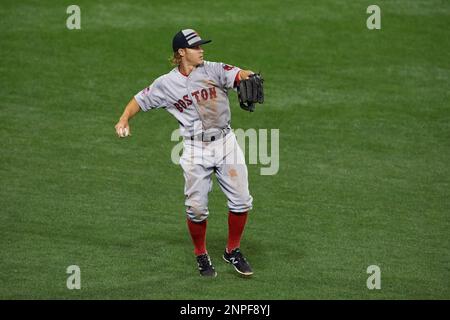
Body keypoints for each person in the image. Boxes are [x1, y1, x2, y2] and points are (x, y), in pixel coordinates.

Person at [115, 29, 257, 277]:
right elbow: (139, 99)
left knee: (242, 201)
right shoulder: (166, 84)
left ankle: (232, 250)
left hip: (226, 143)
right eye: (196, 47)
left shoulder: (213, 69)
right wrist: (124, 119)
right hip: (195, 149)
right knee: (196, 208)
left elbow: (237, 74)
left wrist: (249, 75)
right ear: (181, 53)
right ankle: (201, 254)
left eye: (202, 46)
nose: (202, 50)